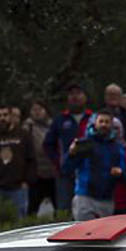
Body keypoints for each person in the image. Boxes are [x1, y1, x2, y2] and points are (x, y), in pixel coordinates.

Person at [61, 111, 125, 221]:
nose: (104, 125)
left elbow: (123, 171)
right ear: (95, 123)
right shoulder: (85, 143)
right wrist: (71, 154)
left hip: (106, 198)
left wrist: (120, 173)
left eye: (107, 122)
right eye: (101, 121)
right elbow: (66, 168)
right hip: (85, 196)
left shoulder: (117, 147)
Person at [42, 83, 91, 216]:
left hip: (88, 172)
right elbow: (48, 144)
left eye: (78, 93)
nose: (75, 97)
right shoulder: (60, 120)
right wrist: (58, 163)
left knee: (87, 210)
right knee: (64, 211)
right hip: (65, 173)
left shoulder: (92, 118)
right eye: (71, 94)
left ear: (85, 97)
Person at [21, 98, 56, 215]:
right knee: (32, 208)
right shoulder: (27, 128)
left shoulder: (54, 126)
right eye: (34, 109)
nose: (37, 112)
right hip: (35, 175)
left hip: (53, 172)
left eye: (39, 109)